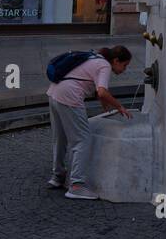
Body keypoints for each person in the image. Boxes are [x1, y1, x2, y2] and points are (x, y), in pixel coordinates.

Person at [47, 45, 133, 200]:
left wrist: (103, 101)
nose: (124, 70)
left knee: (60, 138)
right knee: (83, 139)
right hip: (69, 96)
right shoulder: (105, 65)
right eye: (124, 65)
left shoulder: (95, 57)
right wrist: (119, 106)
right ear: (116, 60)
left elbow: (89, 81)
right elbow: (102, 91)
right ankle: (76, 185)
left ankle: (57, 176)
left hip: (54, 92)